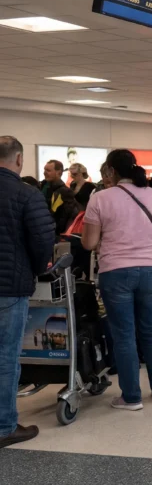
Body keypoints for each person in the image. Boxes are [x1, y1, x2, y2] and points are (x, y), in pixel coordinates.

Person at [81, 149, 152, 411]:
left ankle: (131, 397)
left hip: (116, 271)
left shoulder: (100, 199)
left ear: (110, 171)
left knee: (123, 334)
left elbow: (88, 243)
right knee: (150, 329)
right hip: (150, 270)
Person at [0, 136, 55, 447]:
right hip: (9, 288)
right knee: (6, 357)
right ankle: (4, 425)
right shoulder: (25, 194)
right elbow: (42, 240)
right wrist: (37, 269)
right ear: (19, 160)